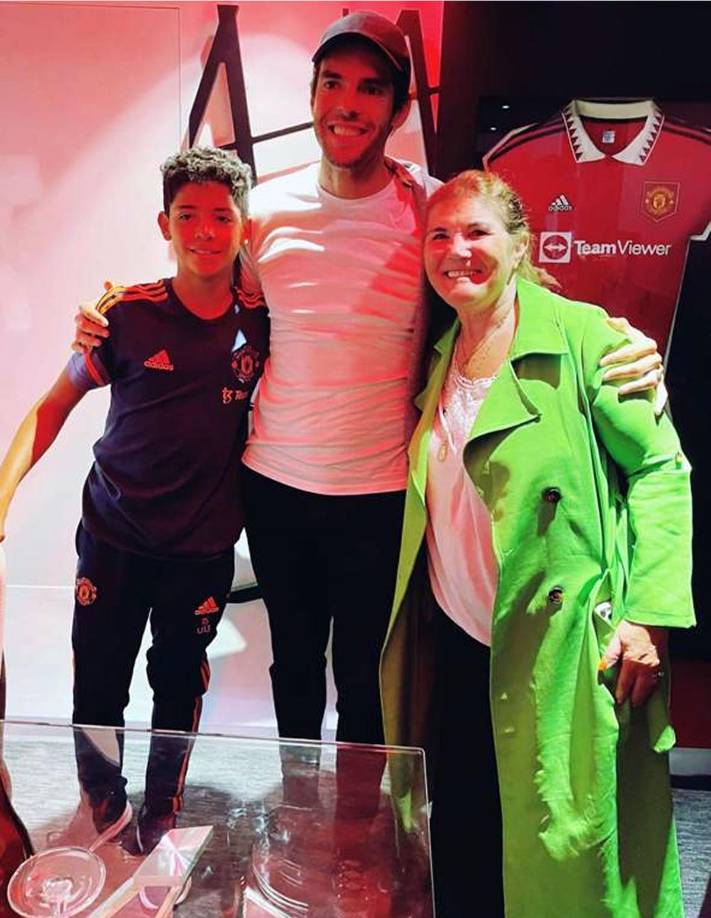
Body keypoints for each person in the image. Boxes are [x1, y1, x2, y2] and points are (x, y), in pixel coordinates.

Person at [71, 14, 665, 763]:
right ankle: (298, 802)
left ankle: (355, 820)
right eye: (333, 84)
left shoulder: (430, 208)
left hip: (382, 494)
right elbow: (206, 296)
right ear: (314, 95)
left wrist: (615, 337)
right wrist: (105, 315)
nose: (347, 104)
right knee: (293, 667)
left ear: (397, 107)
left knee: (365, 678)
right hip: (275, 485)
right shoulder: (265, 213)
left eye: (370, 88)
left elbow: (511, 283)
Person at [379, 169, 694, 917]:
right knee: (467, 829)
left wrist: (648, 616)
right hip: (461, 638)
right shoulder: (438, 354)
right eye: (439, 235)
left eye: (476, 232)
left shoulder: (587, 338)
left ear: (520, 245)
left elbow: (661, 469)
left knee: (566, 843)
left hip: (560, 650)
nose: (456, 250)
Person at [0, 147, 268, 851]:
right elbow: (52, 405)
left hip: (203, 549)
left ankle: (162, 810)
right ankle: (103, 805)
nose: (205, 231)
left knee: (178, 686)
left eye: (222, 217)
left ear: (244, 226)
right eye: (188, 216)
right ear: (164, 225)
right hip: (114, 538)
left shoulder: (264, 325)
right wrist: (2, 495)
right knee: (97, 686)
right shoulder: (124, 315)